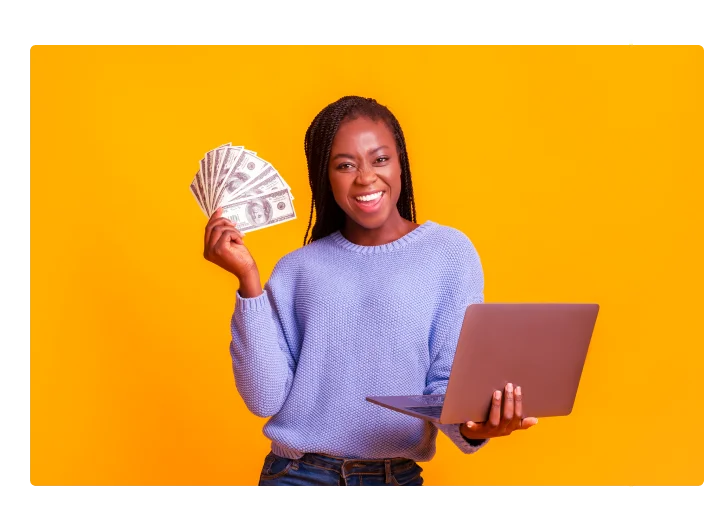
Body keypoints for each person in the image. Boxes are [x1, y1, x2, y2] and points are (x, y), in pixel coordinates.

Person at [203, 95, 538, 488]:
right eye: (345, 165)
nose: (365, 178)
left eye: (380, 159)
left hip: (395, 479)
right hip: (295, 478)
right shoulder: (297, 268)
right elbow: (264, 398)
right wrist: (249, 283)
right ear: (324, 177)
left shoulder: (449, 254)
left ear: (400, 163)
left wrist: (477, 428)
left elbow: (445, 383)